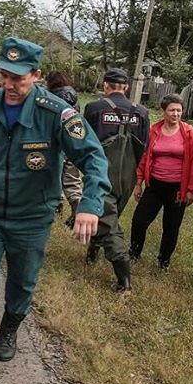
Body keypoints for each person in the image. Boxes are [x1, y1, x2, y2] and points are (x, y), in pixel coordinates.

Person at [0, 37, 110, 384]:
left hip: (32, 218)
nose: (10, 85)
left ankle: (11, 328)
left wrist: (90, 207)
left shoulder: (56, 113)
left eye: (19, 77)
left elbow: (94, 158)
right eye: (4, 75)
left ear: (37, 75)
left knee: (22, 281)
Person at [83, 68, 150, 294]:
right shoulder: (141, 112)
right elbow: (144, 145)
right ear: (127, 87)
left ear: (105, 86)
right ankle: (93, 252)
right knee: (108, 215)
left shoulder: (94, 109)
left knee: (109, 225)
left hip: (102, 172)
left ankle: (124, 282)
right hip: (128, 175)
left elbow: (82, 142)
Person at [129, 94, 193, 269]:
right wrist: (138, 183)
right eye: (172, 110)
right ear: (163, 112)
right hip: (154, 185)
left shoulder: (190, 133)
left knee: (171, 226)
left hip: (177, 188)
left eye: (179, 110)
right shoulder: (154, 131)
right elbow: (145, 157)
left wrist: (191, 189)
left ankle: (163, 261)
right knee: (139, 220)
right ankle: (134, 253)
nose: (176, 114)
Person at [45, 71, 83, 218]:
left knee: (55, 176)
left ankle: (57, 208)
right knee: (72, 178)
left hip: (55, 142)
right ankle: (77, 206)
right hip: (71, 141)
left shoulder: (51, 97)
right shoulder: (73, 95)